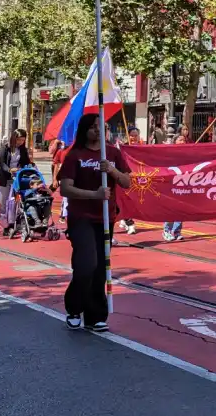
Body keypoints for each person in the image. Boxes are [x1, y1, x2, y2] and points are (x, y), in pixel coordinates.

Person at [59, 114, 131, 332]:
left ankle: (95, 315)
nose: (97, 131)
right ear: (84, 130)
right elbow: (65, 188)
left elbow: (127, 182)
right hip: (81, 218)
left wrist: (112, 170)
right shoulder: (75, 155)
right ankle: (74, 308)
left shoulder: (112, 153)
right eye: (92, 128)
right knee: (86, 265)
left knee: (100, 268)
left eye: (100, 127)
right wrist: (94, 194)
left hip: (105, 219)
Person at [0, 129, 32, 236]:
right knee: (4, 203)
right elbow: (2, 164)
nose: (20, 142)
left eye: (22, 140)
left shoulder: (23, 150)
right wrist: (10, 170)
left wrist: (25, 167)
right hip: (4, 179)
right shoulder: (5, 148)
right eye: (18, 139)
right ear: (13, 138)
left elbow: (26, 162)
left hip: (17, 179)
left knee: (15, 203)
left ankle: (13, 224)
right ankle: (5, 226)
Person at [163, 124, 188, 242]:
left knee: (181, 208)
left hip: (183, 183)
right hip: (171, 184)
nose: (182, 142)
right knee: (171, 208)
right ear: (174, 141)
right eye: (180, 140)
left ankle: (177, 231)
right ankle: (167, 230)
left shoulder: (188, 154)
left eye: (184, 140)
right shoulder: (169, 153)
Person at [118, 126, 141, 235]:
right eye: (132, 135)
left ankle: (124, 218)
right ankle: (130, 223)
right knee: (126, 200)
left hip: (138, 177)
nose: (134, 137)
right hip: (126, 177)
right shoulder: (123, 147)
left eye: (136, 135)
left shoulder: (142, 147)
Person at [50, 140, 68, 223]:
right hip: (63, 177)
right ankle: (63, 215)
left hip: (73, 177)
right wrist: (55, 179)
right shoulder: (60, 151)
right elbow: (56, 165)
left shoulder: (75, 150)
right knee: (66, 197)